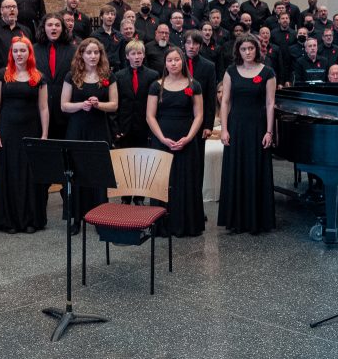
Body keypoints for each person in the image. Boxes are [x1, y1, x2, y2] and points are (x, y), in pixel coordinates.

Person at [0, 36, 49, 234]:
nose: (19, 54)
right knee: (10, 174)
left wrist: (45, 135)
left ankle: (31, 219)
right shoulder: (2, 74)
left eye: (23, 51)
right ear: (11, 53)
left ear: (29, 53)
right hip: (7, 132)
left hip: (31, 131)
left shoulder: (38, 76)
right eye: (16, 51)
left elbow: (43, 108)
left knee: (29, 175)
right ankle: (9, 220)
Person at [218, 34, 277, 234]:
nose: (247, 52)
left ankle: (257, 219)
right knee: (236, 169)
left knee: (256, 170)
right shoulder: (230, 71)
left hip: (258, 127)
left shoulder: (268, 72)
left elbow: (270, 104)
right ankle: (236, 219)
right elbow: (225, 102)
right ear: (238, 51)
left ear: (257, 49)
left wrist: (269, 131)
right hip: (236, 127)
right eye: (243, 49)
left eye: (251, 48)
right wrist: (224, 129)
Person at [145, 47, 205, 237]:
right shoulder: (156, 85)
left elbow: (199, 115)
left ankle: (186, 224)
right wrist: (162, 138)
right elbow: (150, 116)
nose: (173, 63)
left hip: (187, 141)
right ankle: (162, 225)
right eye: (170, 60)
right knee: (163, 182)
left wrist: (189, 137)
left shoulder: (194, 85)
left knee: (185, 182)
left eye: (177, 60)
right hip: (162, 140)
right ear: (165, 63)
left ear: (183, 62)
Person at [60, 38, 118, 234]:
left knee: (99, 173)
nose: (93, 56)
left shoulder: (108, 75)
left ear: (100, 55)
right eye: (89, 53)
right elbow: (64, 105)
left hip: (99, 129)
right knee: (77, 173)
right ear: (82, 55)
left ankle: (101, 218)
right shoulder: (72, 76)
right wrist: (82, 105)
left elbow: (114, 105)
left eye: (96, 53)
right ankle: (77, 218)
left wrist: (97, 105)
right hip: (77, 130)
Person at [33, 13, 75, 140]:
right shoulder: (33, 50)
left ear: (62, 28)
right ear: (43, 28)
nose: (54, 28)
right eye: (50, 25)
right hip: (39, 109)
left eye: (57, 25)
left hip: (64, 111)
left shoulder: (73, 50)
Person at [114, 40, 159, 150]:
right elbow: (117, 103)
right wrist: (116, 128)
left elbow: (155, 104)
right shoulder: (119, 76)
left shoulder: (153, 75)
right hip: (124, 127)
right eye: (133, 54)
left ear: (143, 55)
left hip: (144, 126)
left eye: (139, 53)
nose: (137, 57)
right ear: (127, 56)